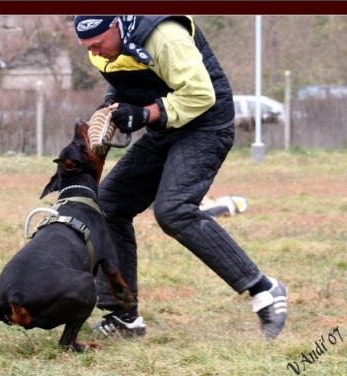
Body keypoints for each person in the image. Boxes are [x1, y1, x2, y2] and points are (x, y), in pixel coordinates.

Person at [73, 15, 287, 340]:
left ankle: (265, 289)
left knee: (174, 210)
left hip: (206, 124)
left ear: (117, 25)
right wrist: (111, 106)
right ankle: (123, 315)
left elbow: (201, 94)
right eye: (87, 47)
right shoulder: (103, 47)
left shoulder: (165, 36)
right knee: (109, 205)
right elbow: (121, 76)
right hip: (168, 129)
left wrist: (145, 114)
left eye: (98, 44)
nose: (95, 52)